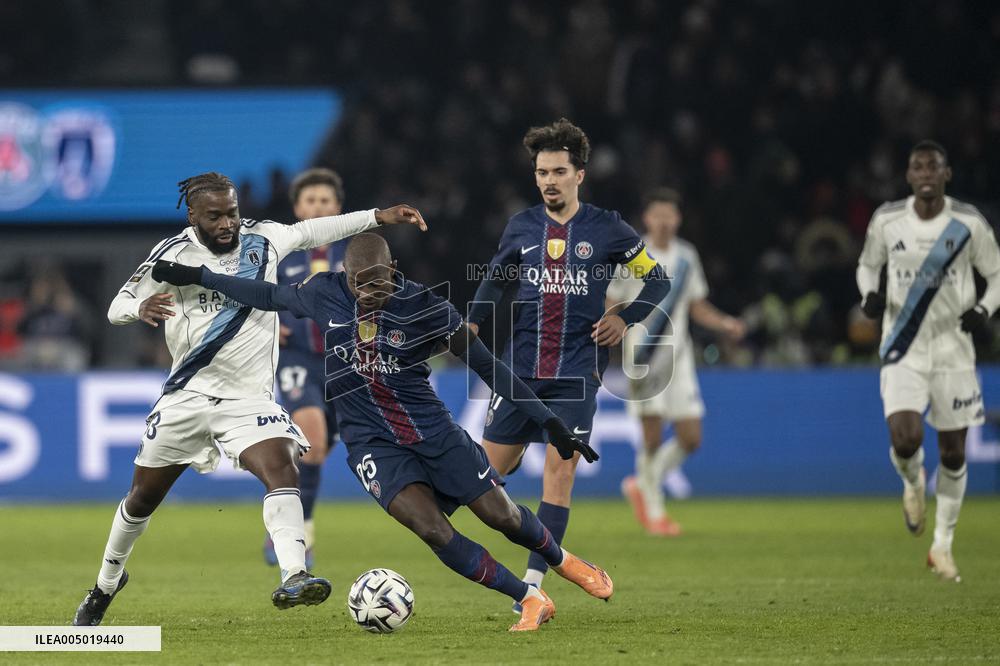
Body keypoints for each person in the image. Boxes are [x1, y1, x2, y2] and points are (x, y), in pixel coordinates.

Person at [151, 232, 613, 632]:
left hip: (432, 431)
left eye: (378, 280)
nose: (368, 291)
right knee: (431, 528)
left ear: (394, 268)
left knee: (502, 516)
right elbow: (265, 295)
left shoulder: (428, 307)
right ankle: (528, 598)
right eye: (358, 283)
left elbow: (490, 368)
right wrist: (198, 277)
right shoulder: (323, 293)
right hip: (370, 444)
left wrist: (551, 422)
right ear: (344, 277)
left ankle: (563, 560)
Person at [72, 172, 426, 626]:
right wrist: (137, 308)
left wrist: (378, 216)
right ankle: (106, 583)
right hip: (187, 396)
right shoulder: (172, 254)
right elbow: (116, 304)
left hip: (248, 401)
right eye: (215, 216)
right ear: (193, 215)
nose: (227, 224)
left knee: (282, 466)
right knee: (141, 499)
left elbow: (317, 229)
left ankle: (295, 574)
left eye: (232, 213)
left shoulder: (264, 239)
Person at [466, 118, 670, 609]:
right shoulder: (521, 227)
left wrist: (626, 316)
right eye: (541, 172)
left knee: (560, 476)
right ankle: (536, 520)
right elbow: (495, 281)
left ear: (580, 174)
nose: (549, 180)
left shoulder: (609, 228)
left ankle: (533, 587)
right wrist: (470, 325)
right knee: (480, 485)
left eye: (558, 171)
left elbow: (658, 280)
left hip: (576, 375)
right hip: (518, 374)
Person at [857, 141, 1000, 582]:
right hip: (903, 345)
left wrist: (983, 310)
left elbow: (996, 275)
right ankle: (914, 483)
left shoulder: (968, 223)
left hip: (954, 349)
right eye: (917, 166)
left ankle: (942, 546)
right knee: (905, 438)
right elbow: (866, 266)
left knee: (955, 453)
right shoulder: (887, 220)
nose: (925, 174)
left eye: (932, 167)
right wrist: (870, 295)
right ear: (908, 174)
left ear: (946, 174)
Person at [608, 188, 745, 536]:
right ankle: (655, 512)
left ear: (678, 219)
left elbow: (696, 305)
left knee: (691, 436)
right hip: (643, 355)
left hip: (679, 357)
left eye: (670, 215)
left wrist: (725, 323)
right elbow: (613, 301)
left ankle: (641, 484)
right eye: (658, 214)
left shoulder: (686, 256)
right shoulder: (633, 253)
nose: (665, 221)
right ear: (647, 218)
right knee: (651, 437)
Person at [264, 168, 349, 569]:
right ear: (298, 208)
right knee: (311, 436)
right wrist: (268, 324)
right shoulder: (280, 253)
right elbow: (256, 296)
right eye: (310, 200)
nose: (317, 206)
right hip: (297, 358)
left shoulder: (355, 251)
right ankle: (302, 533)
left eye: (325, 200)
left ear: (338, 207)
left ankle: (286, 518)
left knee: (318, 451)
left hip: (345, 361)